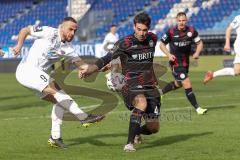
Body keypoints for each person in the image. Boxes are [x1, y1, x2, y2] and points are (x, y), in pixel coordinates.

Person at [13, 17, 105, 149]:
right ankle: (83, 117)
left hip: (38, 76)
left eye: (75, 30)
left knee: (60, 102)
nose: (72, 33)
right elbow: (25, 30)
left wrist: (99, 68)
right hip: (27, 70)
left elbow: (83, 66)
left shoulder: (68, 49)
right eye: (70, 29)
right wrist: (19, 45)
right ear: (62, 27)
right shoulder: (48, 32)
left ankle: (55, 137)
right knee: (58, 94)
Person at [79, 12, 161, 152]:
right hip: (130, 83)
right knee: (141, 103)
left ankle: (136, 132)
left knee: (153, 128)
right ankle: (129, 144)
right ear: (134, 26)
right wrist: (90, 69)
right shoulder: (124, 43)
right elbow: (106, 58)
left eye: (144, 30)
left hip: (149, 85)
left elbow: (147, 62)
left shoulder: (153, 39)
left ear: (149, 29)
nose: (141, 33)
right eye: (138, 29)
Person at [159, 12, 207, 115]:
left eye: (183, 20)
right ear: (177, 21)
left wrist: (197, 52)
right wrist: (168, 54)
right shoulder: (171, 32)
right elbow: (161, 44)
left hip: (185, 63)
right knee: (186, 82)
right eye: (179, 20)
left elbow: (200, 43)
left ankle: (159, 93)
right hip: (175, 63)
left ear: (186, 20)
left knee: (178, 84)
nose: (181, 22)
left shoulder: (191, 31)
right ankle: (198, 108)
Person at [204, 15, 240, 84]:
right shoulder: (239, 18)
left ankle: (212, 74)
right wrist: (227, 43)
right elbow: (229, 29)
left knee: (237, 71)